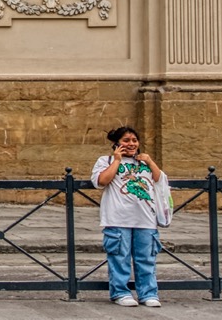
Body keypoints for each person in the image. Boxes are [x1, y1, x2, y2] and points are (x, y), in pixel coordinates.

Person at [91, 125, 164, 307]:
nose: (131, 144)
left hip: (146, 218)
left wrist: (150, 161)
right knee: (119, 257)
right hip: (118, 218)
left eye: (134, 140)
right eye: (126, 141)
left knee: (146, 258)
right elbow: (101, 181)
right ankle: (120, 292)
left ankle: (148, 293)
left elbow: (159, 180)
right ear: (117, 143)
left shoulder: (143, 162)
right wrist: (116, 160)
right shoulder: (105, 160)